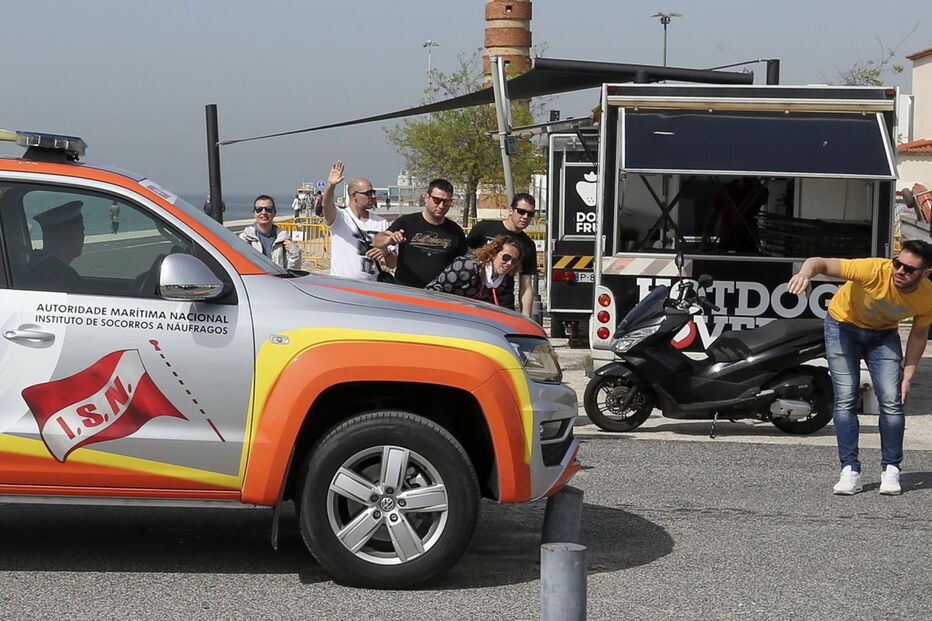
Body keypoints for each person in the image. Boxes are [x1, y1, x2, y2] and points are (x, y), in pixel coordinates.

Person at [787, 239, 932, 496]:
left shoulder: (927, 296)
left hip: (883, 335)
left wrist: (908, 375)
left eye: (909, 269)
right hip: (843, 327)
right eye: (897, 263)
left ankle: (891, 469)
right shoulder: (873, 269)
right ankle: (850, 470)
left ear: (925, 274)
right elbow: (819, 263)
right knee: (845, 398)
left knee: (892, 400)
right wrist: (805, 274)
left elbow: (919, 335)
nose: (900, 271)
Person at [374, 179, 466, 288]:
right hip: (407, 290)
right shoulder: (406, 222)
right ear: (427, 198)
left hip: (440, 293)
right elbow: (377, 241)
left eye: (446, 202)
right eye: (437, 200)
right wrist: (389, 239)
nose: (441, 206)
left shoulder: (455, 231)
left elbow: (462, 265)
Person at [466, 193, 538, 316]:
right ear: (511, 210)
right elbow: (463, 258)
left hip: (503, 303)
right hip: (475, 297)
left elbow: (526, 286)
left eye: (530, 214)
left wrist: (526, 317)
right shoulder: (485, 227)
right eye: (521, 211)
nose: (525, 217)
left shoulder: (528, 244)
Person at [321, 161, 395, 281]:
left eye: (373, 192)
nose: (373, 197)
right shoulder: (340, 217)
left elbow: (392, 263)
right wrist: (331, 185)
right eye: (368, 193)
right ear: (354, 195)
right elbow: (326, 205)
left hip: (372, 286)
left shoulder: (381, 223)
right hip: (342, 285)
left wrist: (385, 252)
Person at [426, 235, 522, 307]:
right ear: (493, 253)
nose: (509, 263)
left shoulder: (504, 280)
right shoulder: (467, 266)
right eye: (506, 257)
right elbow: (434, 291)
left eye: (514, 261)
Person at [25, 200, 84, 290]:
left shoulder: (40, 264)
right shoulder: (61, 275)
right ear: (71, 235)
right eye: (81, 231)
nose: (83, 236)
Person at [239, 195, 302, 269]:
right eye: (259, 209)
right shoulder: (245, 239)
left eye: (268, 209)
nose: (263, 212)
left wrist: (295, 252)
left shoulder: (283, 238)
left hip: (276, 276)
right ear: (254, 213)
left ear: (274, 213)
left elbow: (293, 270)